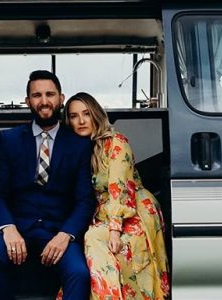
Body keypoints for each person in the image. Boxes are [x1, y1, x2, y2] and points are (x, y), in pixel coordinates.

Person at [0, 71, 96, 300]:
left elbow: (84, 200)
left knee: (79, 273)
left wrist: (66, 234)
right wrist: (8, 227)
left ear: (61, 98)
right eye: (37, 95)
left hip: (58, 229)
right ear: (28, 101)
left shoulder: (79, 144)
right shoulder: (7, 140)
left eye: (50, 94)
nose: (44, 101)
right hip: (16, 226)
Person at [63, 92, 170, 300]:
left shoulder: (116, 143)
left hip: (133, 210)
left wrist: (114, 229)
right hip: (106, 213)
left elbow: (118, 189)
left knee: (95, 238)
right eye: (74, 116)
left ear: (96, 114)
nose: (82, 121)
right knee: (90, 246)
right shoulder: (82, 149)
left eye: (86, 113)